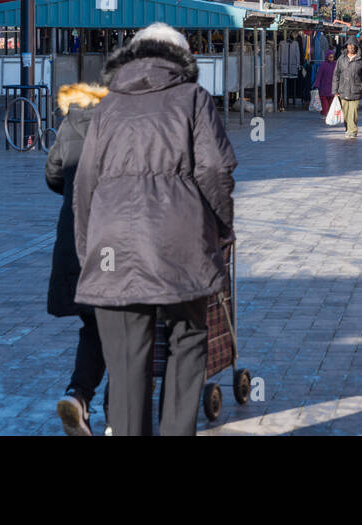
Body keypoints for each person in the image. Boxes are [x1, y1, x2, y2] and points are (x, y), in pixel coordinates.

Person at [73, 22, 238, 437]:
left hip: (112, 247)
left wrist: (88, 254)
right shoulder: (194, 99)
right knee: (188, 341)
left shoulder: (106, 107)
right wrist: (221, 228)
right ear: (182, 59)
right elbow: (216, 169)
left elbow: (83, 185)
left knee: (127, 363)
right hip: (180, 242)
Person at [46, 81, 110, 436]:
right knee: (129, 328)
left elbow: (53, 175)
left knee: (94, 326)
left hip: (75, 245)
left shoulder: (73, 122)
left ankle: (78, 396)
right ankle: (119, 414)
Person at [333, 39, 362, 138]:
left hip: (356, 90)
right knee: (346, 114)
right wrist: (335, 90)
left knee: (353, 112)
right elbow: (336, 75)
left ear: (356, 47)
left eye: (352, 46)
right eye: (349, 46)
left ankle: (353, 131)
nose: (350, 47)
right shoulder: (341, 59)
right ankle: (348, 129)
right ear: (346, 47)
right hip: (343, 90)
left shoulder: (361, 60)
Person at [316, 49, 337, 120]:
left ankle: (328, 114)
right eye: (330, 57)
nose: (331, 59)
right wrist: (317, 84)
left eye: (332, 57)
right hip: (324, 87)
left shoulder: (335, 64)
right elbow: (319, 75)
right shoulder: (323, 65)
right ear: (327, 57)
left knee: (331, 103)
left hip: (332, 87)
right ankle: (325, 113)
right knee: (325, 103)